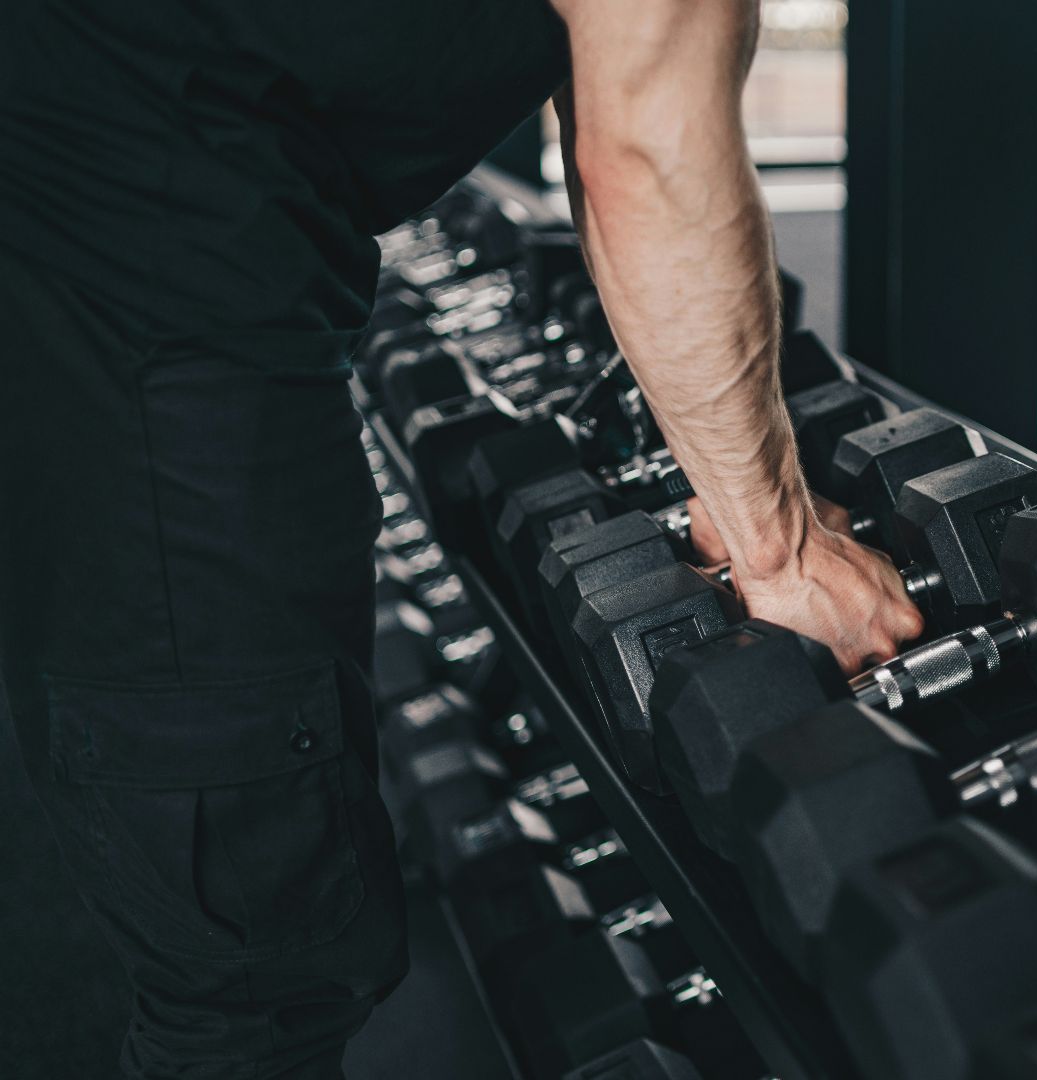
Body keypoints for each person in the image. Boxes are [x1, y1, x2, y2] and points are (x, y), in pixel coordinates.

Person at [0, 0, 923, 1075]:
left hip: (118, 274)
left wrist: (737, 484)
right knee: (254, 980)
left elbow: (619, 128)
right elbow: (647, 161)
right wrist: (781, 551)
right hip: (131, 334)